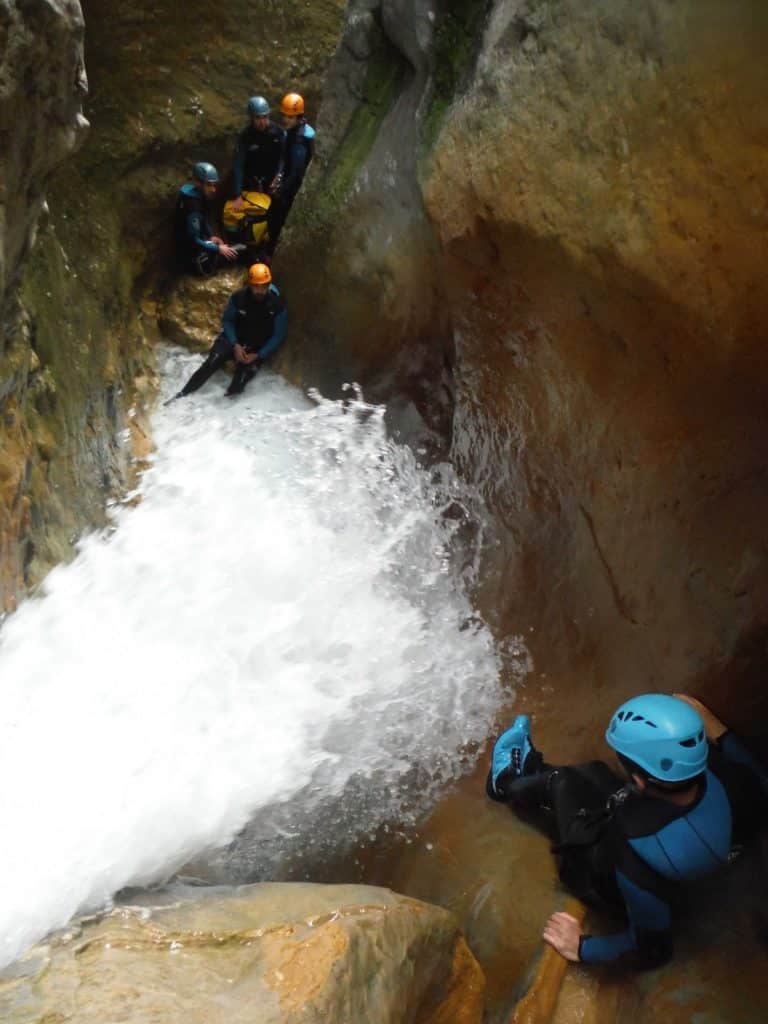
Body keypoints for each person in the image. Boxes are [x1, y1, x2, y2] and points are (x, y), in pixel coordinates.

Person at [487, 693, 768, 969]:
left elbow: (653, 950)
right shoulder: (734, 784)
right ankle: (534, 768)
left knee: (563, 783)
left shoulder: (635, 855)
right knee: (596, 773)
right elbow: (759, 779)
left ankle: (505, 782)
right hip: (692, 871)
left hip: (611, 884)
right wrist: (718, 729)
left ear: (639, 782)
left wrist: (582, 947)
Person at [167, 263, 287, 401]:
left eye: (264, 286)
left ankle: (224, 410)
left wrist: (259, 354)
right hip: (233, 338)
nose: (260, 290)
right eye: (256, 286)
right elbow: (228, 320)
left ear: (269, 284)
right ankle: (181, 395)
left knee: (238, 384)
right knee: (212, 361)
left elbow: (278, 335)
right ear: (250, 284)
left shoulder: (276, 305)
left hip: (256, 346)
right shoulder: (239, 298)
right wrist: (235, 344)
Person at [174, 162, 240, 276]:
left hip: (199, 242)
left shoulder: (199, 197)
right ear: (198, 184)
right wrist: (217, 249)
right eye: (209, 185)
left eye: (214, 185)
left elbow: (204, 219)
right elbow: (193, 240)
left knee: (232, 249)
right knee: (228, 255)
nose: (213, 189)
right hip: (191, 254)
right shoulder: (192, 206)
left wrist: (211, 237)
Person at [267, 92, 315, 248]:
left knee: (277, 220)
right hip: (287, 180)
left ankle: (271, 250)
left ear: (299, 117)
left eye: (290, 117)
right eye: (284, 115)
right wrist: (278, 175)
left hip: (293, 189)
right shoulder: (292, 131)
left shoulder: (300, 140)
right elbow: (283, 158)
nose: (285, 119)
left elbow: (296, 173)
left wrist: (281, 192)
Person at [232, 96, 285, 203]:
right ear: (252, 118)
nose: (262, 122)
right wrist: (238, 194)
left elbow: (284, 157)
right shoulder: (246, 137)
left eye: (265, 117)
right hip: (252, 183)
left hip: (272, 181)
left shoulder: (277, 133)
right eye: (258, 118)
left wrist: (278, 176)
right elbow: (239, 165)